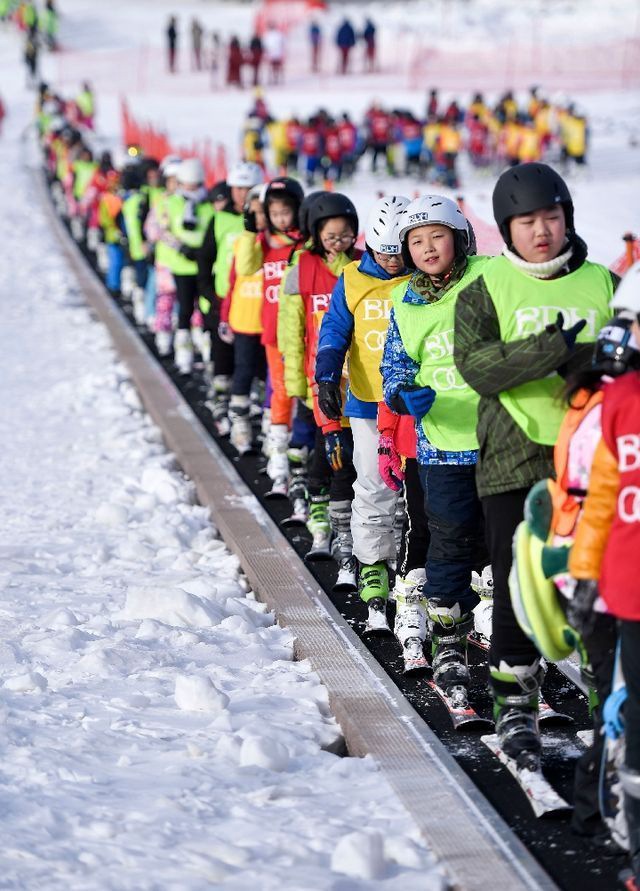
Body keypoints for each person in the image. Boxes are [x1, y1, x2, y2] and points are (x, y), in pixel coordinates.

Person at [453, 162, 617, 764]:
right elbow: (478, 366)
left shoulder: (604, 281)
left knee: (602, 580)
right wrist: (557, 349)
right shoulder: (486, 286)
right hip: (512, 454)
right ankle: (515, 705)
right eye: (527, 222)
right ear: (506, 229)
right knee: (517, 582)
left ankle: (610, 699)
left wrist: (595, 360)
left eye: (551, 217)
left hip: (595, 458)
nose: (541, 231)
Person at [381, 195, 489, 698]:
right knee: (448, 541)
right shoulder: (405, 302)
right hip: (443, 445)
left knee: (503, 542)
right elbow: (394, 367)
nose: (427, 248)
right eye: (416, 241)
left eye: (437, 236)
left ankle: (506, 626)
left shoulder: (491, 276)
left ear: (461, 239)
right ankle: (448, 640)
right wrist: (402, 394)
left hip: (500, 438)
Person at [569, 314, 640, 885]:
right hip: (626, 581)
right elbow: (599, 496)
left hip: (621, 577)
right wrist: (586, 572)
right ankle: (617, 817)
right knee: (626, 704)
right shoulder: (616, 403)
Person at [316, 195, 410, 599]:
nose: (391, 261)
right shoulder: (353, 278)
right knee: (373, 483)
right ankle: (371, 562)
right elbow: (335, 329)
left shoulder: (421, 278)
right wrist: (325, 377)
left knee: (413, 491)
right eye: (383, 253)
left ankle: (408, 560)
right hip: (368, 400)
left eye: (398, 253)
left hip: (414, 403)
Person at [279, 192, 360, 561]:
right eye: (331, 236)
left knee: (347, 454)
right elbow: (291, 328)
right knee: (320, 451)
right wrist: (294, 378)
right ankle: (318, 513)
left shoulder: (360, 268)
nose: (338, 242)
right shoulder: (302, 268)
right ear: (316, 234)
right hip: (317, 379)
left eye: (345, 235)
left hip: (354, 380)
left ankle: (344, 517)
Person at [233, 176, 304, 464]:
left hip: (304, 331)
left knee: (305, 389)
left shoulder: (304, 243)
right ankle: (278, 447)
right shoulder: (264, 242)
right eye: (273, 214)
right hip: (274, 331)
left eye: (285, 212)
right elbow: (246, 267)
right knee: (280, 388)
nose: (279, 219)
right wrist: (251, 232)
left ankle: (302, 442)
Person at [196, 161, 264, 433]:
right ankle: (221, 401)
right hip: (223, 299)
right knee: (223, 358)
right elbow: (205, 259)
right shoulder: (220, 218)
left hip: (254, 301)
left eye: (248, 188)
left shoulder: (264, 220)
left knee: (252, 361)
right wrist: (209, 296)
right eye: (237, 188)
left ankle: (252, 405)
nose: (241, 193)